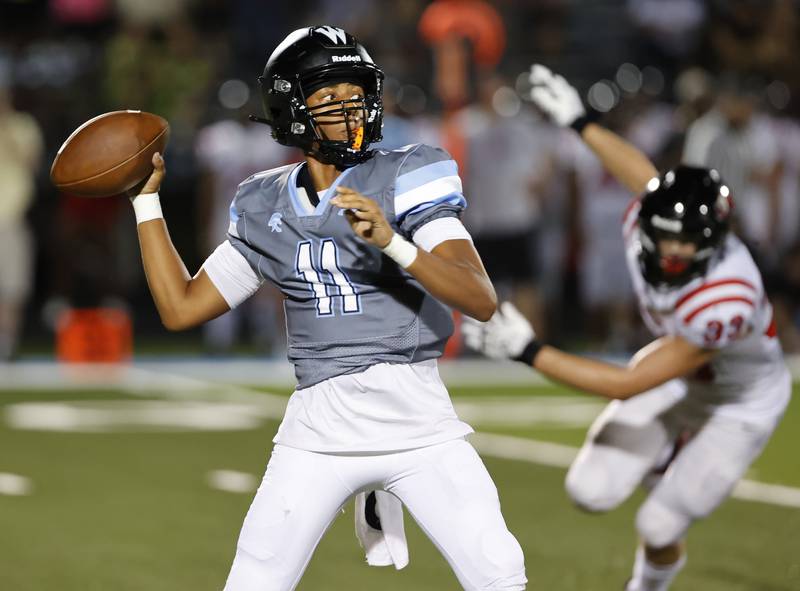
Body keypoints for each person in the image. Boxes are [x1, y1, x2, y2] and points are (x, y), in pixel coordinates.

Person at [127, 26, 526, 591]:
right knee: (253, 582)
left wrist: (394, 242)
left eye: (356, 93)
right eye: (329, 97)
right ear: (291, 108)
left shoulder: (407, 174)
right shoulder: (262, 202)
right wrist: (146, 203)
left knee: (500, 571)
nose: (349, 109)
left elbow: (480, 298)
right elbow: (182, 307)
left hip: (419, 420)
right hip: (318, 428)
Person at [463, 64, 790, 591]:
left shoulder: (728, 296)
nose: (675, 249)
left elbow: (625, 384)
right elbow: (641, 172)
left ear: (714, 241)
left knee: (657, 523)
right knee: (589, 491)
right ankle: (667, 450)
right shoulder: (650, 216)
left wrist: (528, 350)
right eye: (667, 234)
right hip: (680, 374)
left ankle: (645, 586)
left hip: (738, 403)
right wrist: (578, 120)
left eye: (689, 242)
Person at [0, 80, 43, 361]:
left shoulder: (22, 126)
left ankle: (5, 343)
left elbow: (31, 163)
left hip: (10, 216)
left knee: (13, 286)